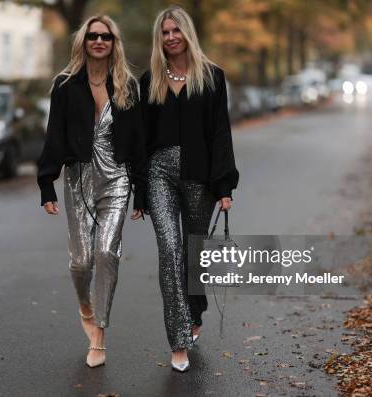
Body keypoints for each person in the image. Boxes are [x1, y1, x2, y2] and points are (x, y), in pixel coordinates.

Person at [37, 15, 146, 368]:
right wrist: (46, 184)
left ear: (115, 43)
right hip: (78, 178)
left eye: (106, 36)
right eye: (93, 36)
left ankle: (99, 333)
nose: (99, 41)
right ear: (83, 42)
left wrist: (140, 191)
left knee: (106, 252)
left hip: (117, 179)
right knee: (82, 261)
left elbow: (138, 143)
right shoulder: (66, 85)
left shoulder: (128, 85)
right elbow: (54, 135)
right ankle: (84, 302)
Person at [140, 6, 239, 372]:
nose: (170, 37)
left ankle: (195, 311)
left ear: (187, 33)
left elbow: (220, 133)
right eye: (164, 32)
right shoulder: (149, 80)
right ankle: (179, 339)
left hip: (200, 176)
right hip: (158, 175)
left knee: (193, 254)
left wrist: (224, 185)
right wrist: (138, 191)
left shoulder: (212, 77)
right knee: (170, 252)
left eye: (175, 30)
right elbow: (141, 141)